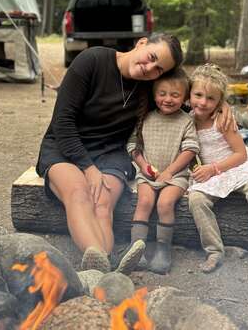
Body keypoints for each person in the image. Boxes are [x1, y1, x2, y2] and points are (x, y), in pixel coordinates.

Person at [36, 33, 184, 274]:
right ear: (142, 43)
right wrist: (88, 168)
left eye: (158, 69)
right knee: (78, 193)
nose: (150, 69)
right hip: (66, 146)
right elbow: (63, 122)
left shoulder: (150, 85)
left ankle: (104, 269)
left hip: (110, 152)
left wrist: (222, 109)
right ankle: (106, 264)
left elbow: (189, 96)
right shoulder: (92, 60)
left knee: (103, 203)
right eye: (151, 58)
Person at [187, 63, 248, 274]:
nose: (203, 102)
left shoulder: (222, 120)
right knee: (196, 200)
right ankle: (214, 250)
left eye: (211, 98)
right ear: (189, 93)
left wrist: (212, 169)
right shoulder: (187, 122)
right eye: (198, 95)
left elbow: (240, 154)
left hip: (235, 165)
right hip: (211, 172)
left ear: (219, 101)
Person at [125, 68, 200, 274]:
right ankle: (136, 249)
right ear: (154, 95)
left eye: (175, 95)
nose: (168, 99)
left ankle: (163, 249)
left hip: (176, 175)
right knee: (145, 202)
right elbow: (133, 146)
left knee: (165, 203)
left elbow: (191, 149)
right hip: (147, 173)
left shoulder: (186, 121)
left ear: (184, 97)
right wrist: (143, 165)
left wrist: (170, 172)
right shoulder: (146, 118)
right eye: (162, 94)